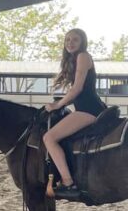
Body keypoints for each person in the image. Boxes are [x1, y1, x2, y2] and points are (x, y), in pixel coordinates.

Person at [43, 28, 107, 198]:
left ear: (82, 42)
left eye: (75, 40)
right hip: (85, 107)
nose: (70, 43)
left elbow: (77, 89)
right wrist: (62, 102)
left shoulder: (83, 56)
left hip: (89, 110)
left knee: (49, 138)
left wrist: (58, 105)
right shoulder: (75, 59)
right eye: (68, 40)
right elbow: (77, 91)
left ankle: (68, 182)